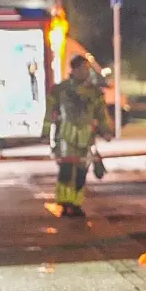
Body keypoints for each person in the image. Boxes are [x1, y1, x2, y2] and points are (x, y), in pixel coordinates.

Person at [41, 55, 114, 217]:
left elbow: (101, 114)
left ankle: (76, 203)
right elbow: (49, 113)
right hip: (65, 137)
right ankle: (64, 203)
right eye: (83, 68)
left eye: (87, 69)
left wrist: (106, 131)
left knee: (82, 172)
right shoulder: (59, 90)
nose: (86, 72)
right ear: (73, 69)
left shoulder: (95, 93)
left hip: (86, 138)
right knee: (66, 171)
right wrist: (45, 134)